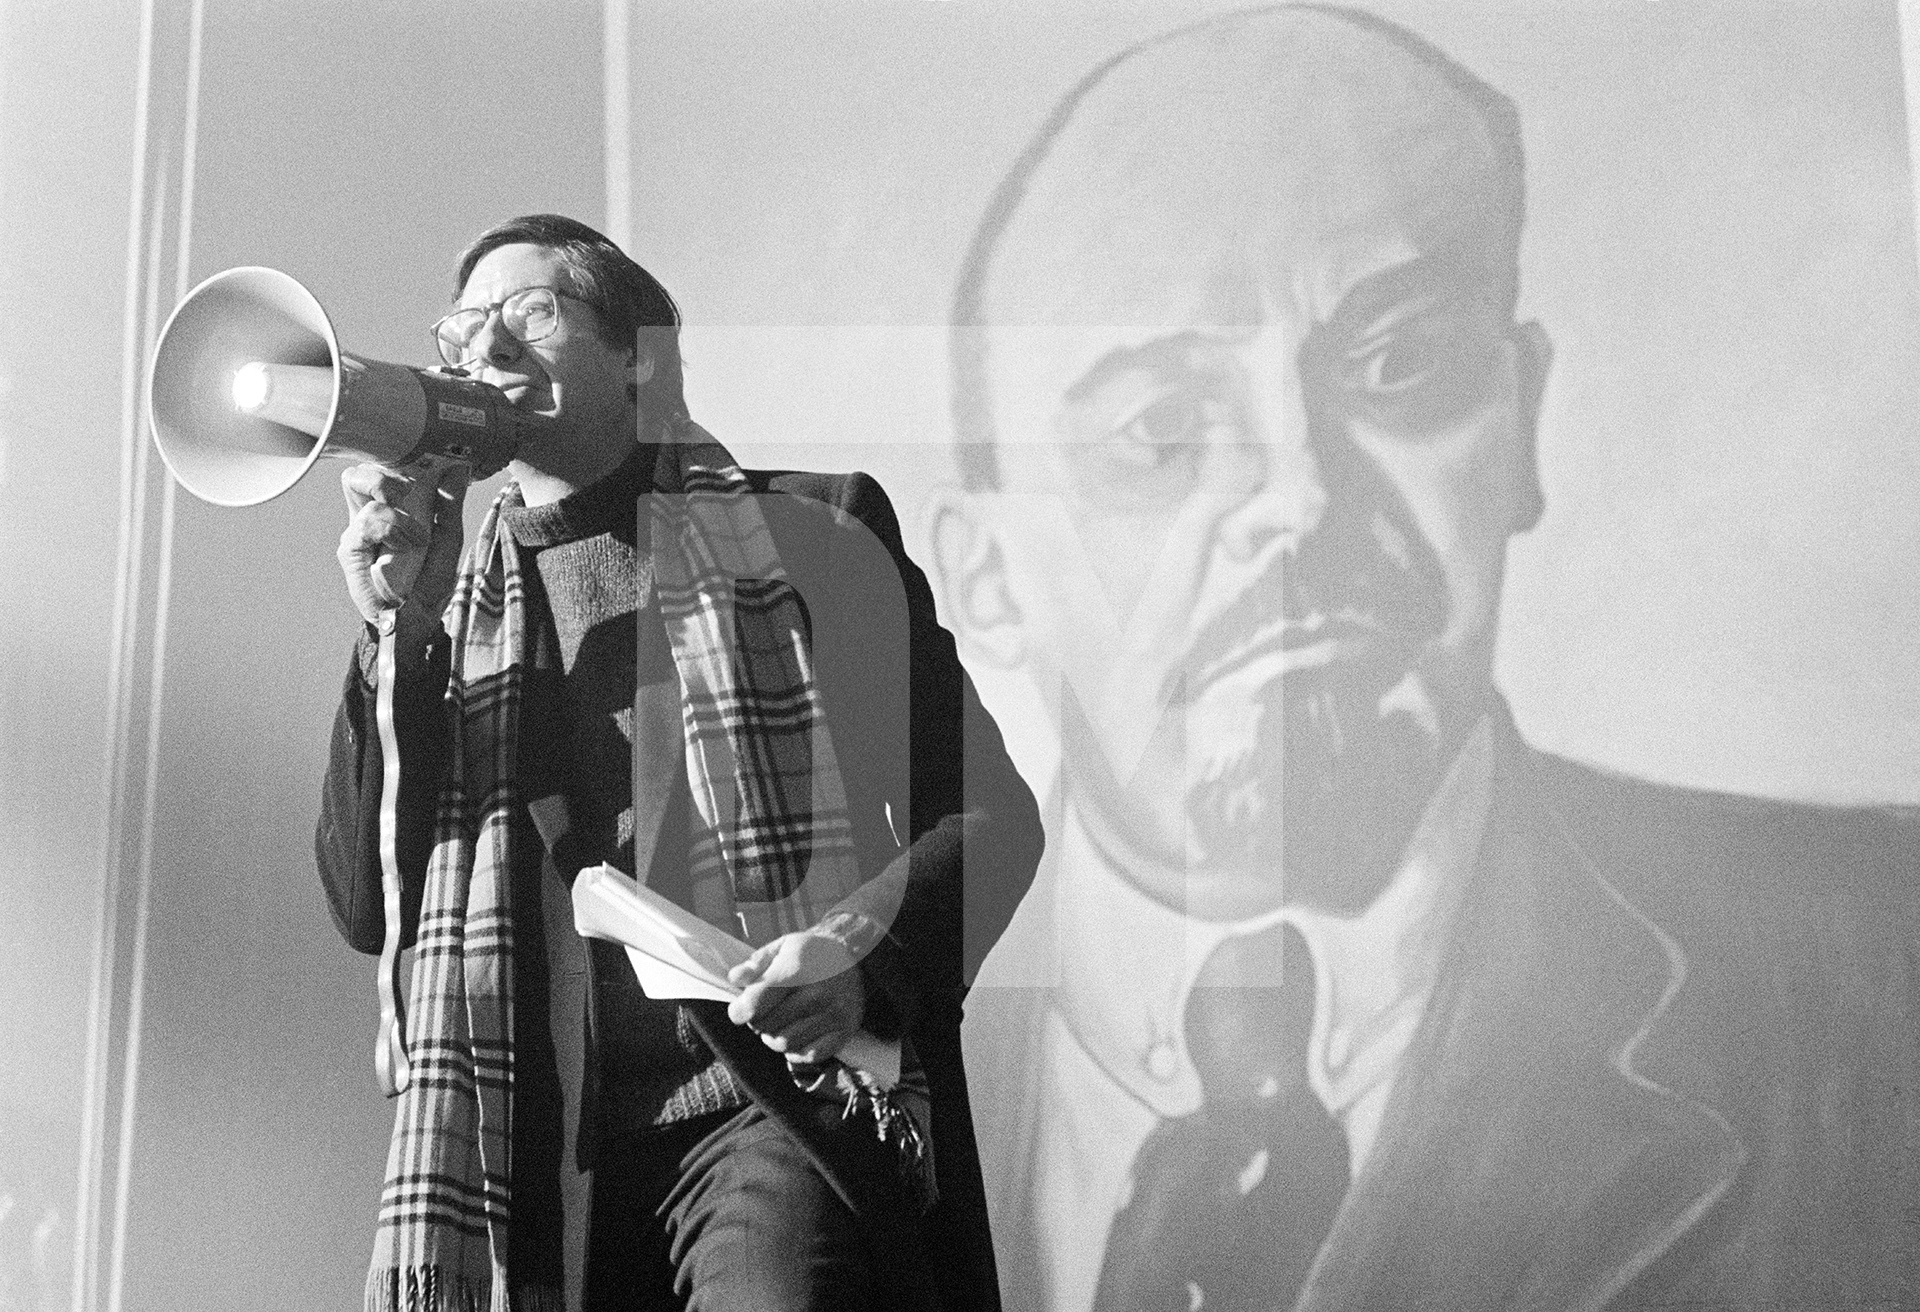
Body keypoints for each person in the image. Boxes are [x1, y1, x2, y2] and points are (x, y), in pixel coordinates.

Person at [935, 8, 1920, 1311]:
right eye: (1161, 429)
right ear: (988, 579)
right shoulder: (814, 1054)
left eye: (1399, 364)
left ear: (1519, 427)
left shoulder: (1882, 972)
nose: (1299, 496)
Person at [315, 213, 1043, 1312]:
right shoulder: (449, 622)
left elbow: (989, 817)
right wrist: (399, 633)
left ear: (638, 358)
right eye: (463, 330)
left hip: (770, 1104)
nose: (487, 348)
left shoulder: (814, 535)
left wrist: (858, 955)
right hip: (538, 1162)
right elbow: (368, 905)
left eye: (531, 313)